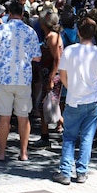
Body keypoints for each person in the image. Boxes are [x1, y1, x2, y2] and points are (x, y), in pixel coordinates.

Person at [0, 0, 41, 162]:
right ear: (23, 13)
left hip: (3, 77)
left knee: (4, 117)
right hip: (24, 78)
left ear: (9, 13)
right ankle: (23, 152)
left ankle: (1, 152)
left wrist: (2, 55)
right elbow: (37, 57)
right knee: (24, 117)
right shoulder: (30, 32)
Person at [54, 17, 97, 185]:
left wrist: (73, 87)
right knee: (87, 137)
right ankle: (82, 171)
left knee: (69, 136)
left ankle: (65, 171)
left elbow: (62, 75)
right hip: (92, 100)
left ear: (78, 32)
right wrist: (91, 88)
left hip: (74, 99)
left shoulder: (69, 51)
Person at [36, 9, 64, 147]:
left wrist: (51, 78)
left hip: (52, 75)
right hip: (47, 74)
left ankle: (46, 135)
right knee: (48, 106)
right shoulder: (50, 36)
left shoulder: (53, 37)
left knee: (47, 105)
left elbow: (57, 58)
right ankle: (45, 134)